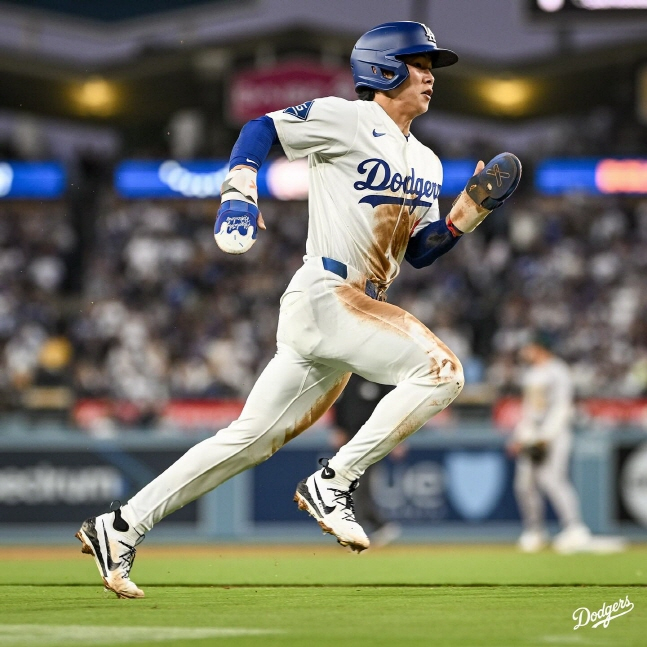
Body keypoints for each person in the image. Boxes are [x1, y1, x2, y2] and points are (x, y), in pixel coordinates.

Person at [76, 21, 521, 598]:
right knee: (443, 372)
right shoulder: (347, 118)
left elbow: (419, 251)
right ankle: (333, 482)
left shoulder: (429, 162)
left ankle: (120, 526)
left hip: (352, 305)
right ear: (383, 68)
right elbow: (259, 128)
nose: (430, 76)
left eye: (431, 66)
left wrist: (467, 214)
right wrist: (239, 189)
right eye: (419, 63)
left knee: (247, 440)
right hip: (329, 291)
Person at [508, 334, 590, 553]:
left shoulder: (558, 370)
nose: (526, 351)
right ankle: (535, 531)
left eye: (530, 347)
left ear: (540, 348)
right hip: (533, 432)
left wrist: (546, 436)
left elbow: (562, 407)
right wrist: (520, 436)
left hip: (556, 433)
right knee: (524, 483)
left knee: (553, 480)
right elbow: (528, 411)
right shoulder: (531, 373)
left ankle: (575, 528)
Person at [330, 373, 402, 546]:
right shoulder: (348, 376)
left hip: (372, 441)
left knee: (360, 486)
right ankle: (377, 526)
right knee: (351, 486)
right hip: (350, 440)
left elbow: (394, 409)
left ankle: (362, 530)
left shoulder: (381, 377)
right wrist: (339, 428)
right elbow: (340, 404)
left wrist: (398, 438)